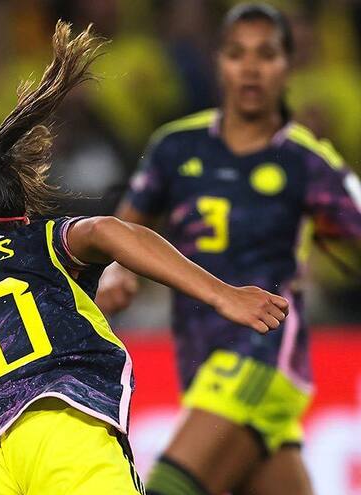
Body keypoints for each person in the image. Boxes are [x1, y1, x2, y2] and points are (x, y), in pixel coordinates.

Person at [0, 21, 289, 495]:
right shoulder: (35, 241)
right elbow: (104, 231)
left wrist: (91, 304)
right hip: (61, 422)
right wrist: (222, 294)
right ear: (15, 216)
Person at [95, 4, 361, 495]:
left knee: (169, 487)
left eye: (266, 54)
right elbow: (124, 230)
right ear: (219, 62)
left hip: (263, 352)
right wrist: (118, 271)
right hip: (201, 361)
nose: (251, 67)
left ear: (288, 65)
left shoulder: (307, 162)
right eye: (238, 53)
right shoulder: (175, 147)